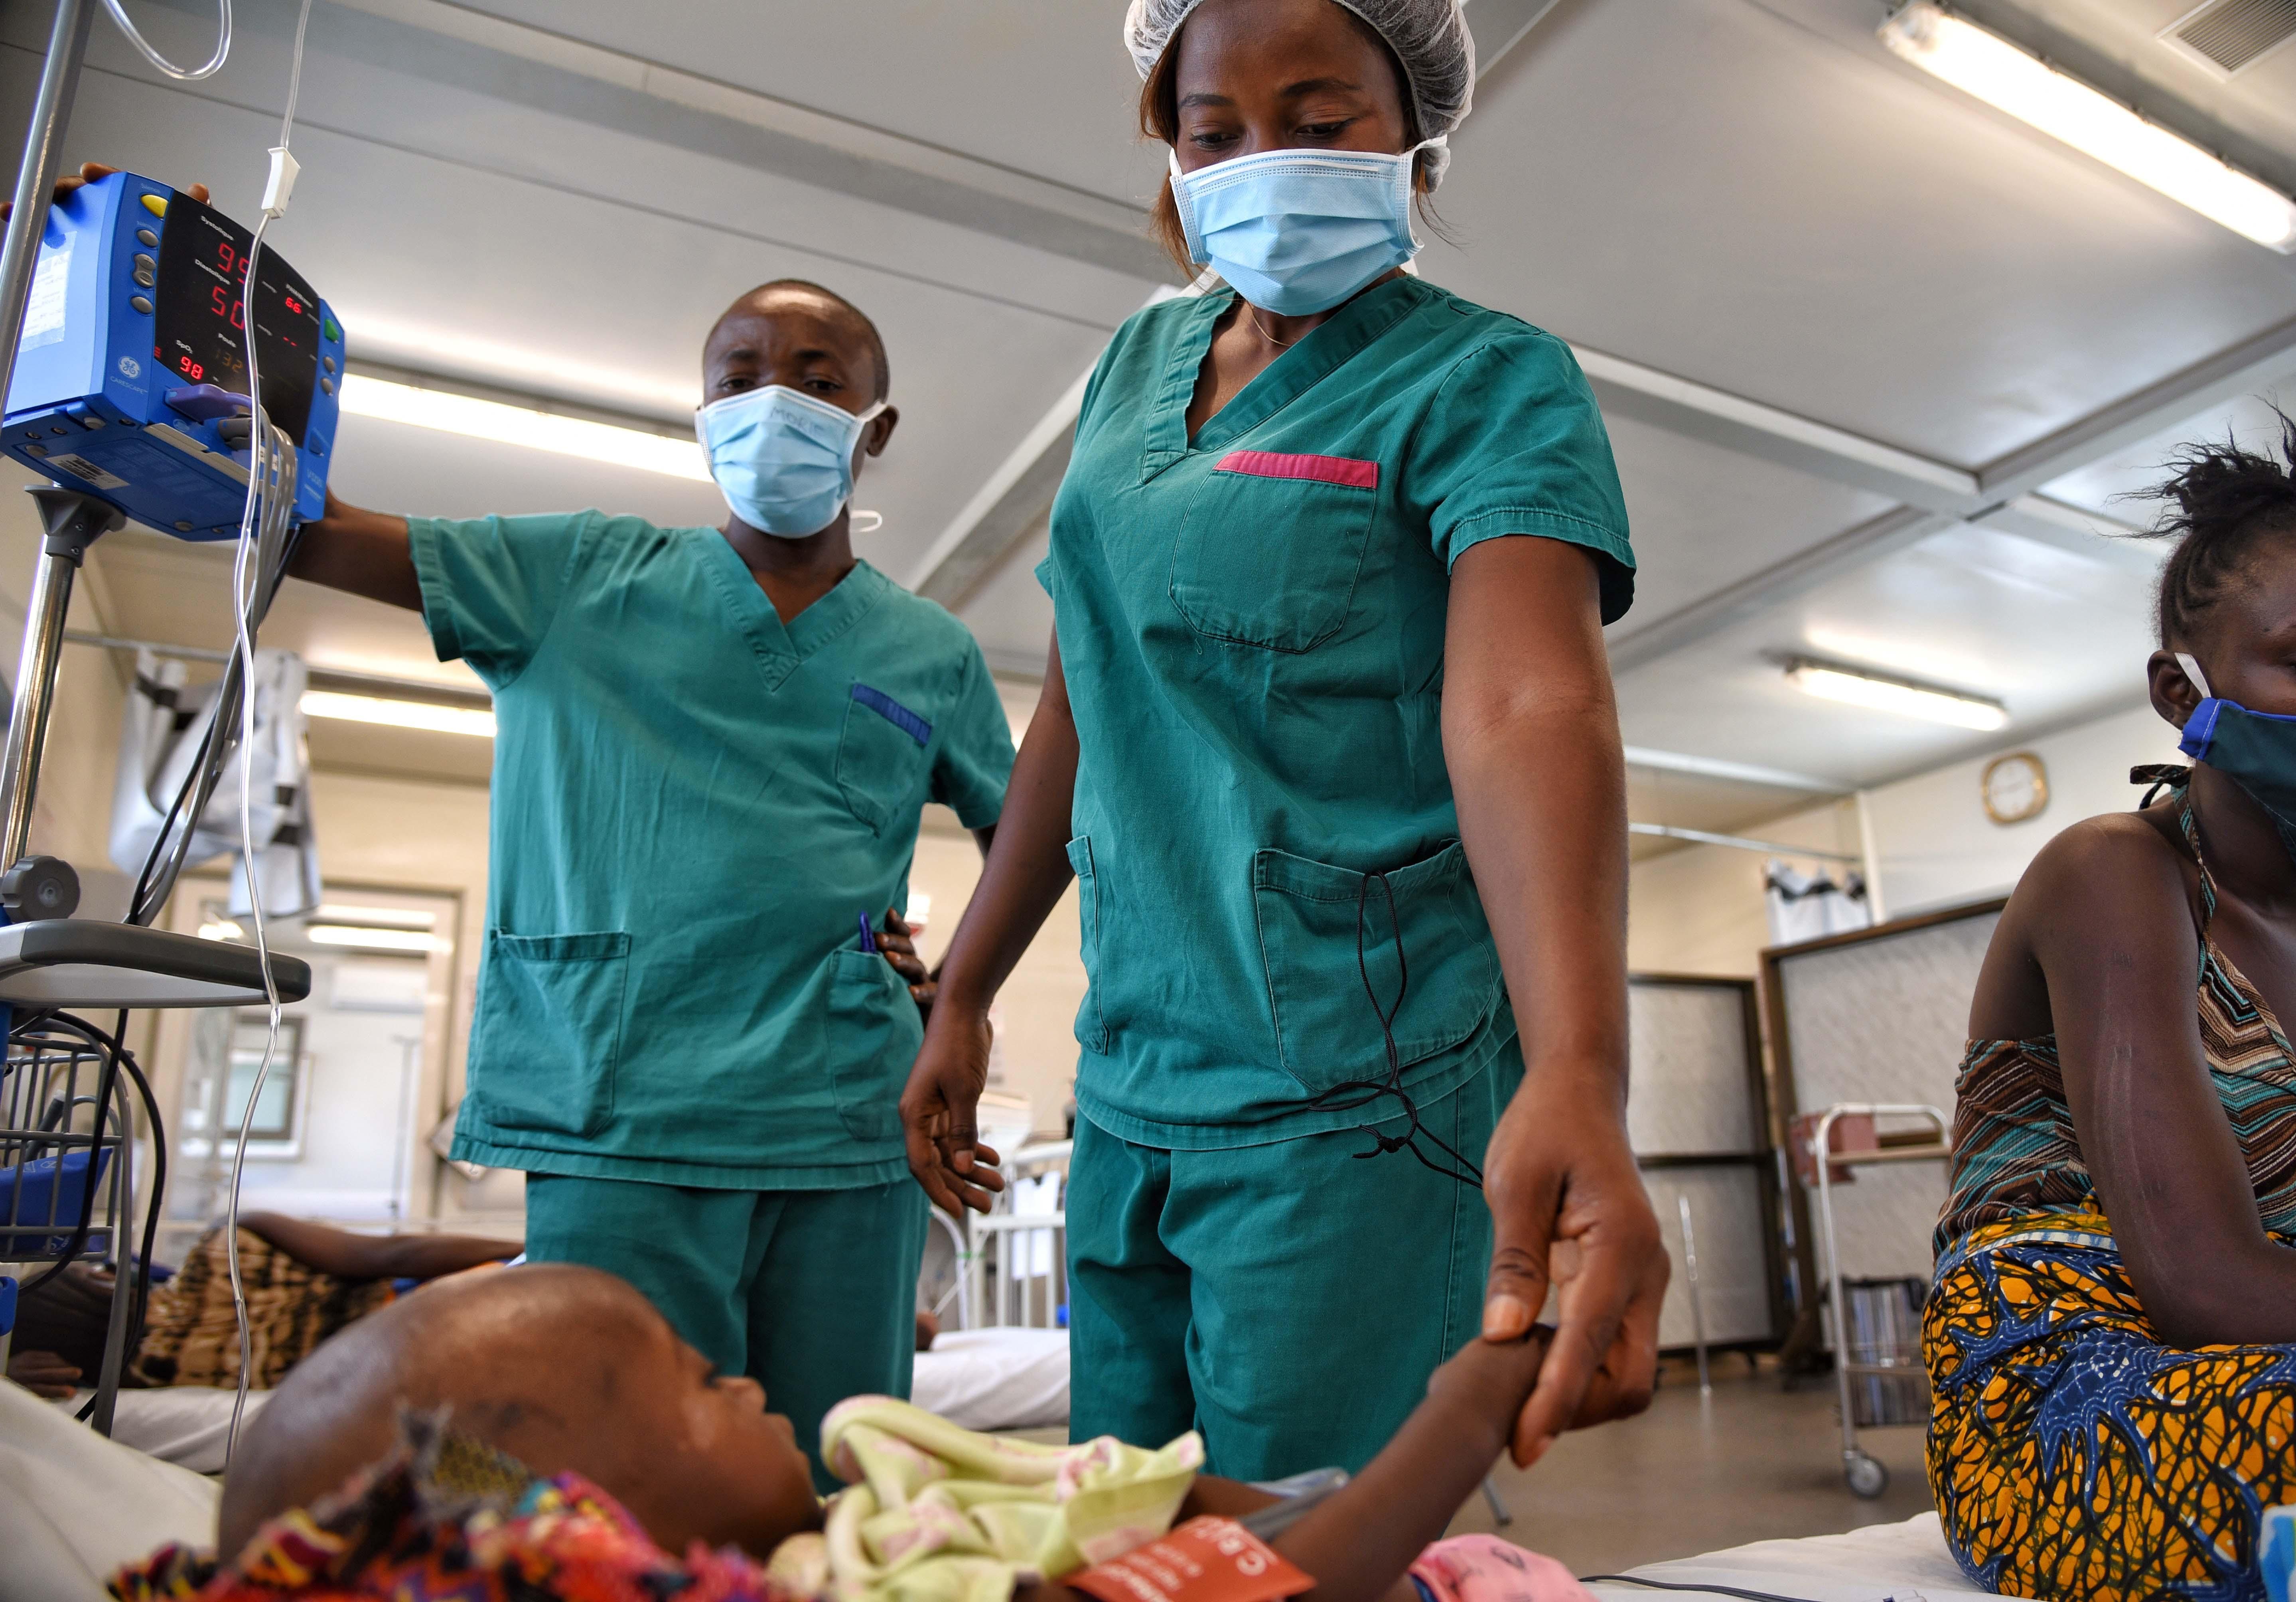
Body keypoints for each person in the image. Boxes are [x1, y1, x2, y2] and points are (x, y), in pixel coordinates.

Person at [10, 164, 1021, 1493]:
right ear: (702, 411)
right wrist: (107, 286)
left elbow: (1031, 829)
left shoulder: (931, 652)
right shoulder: (576, 574)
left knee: (848, 1478)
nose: (773, 397)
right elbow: (296, 522)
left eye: (819, 376)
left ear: (873, 427)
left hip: (844, 1119)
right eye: (737, 375)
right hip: (619, 1106)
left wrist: (963, 985)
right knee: (614, 1486)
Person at [897, 0, 1668, 1482]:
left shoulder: (1485, 381)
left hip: (1360, 1104)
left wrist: (1579, 1063)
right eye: (1216, 133)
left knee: (1307, 1547)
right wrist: (966, 989)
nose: (1265, 164)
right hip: (1133, 1085)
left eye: (1321, 126)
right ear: (1168, 151)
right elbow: (1081, 699)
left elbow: (1526, 703)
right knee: (1121, 1540)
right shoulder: (1130, 373)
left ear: (1414, 130)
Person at [1922, 414, 2296, 1602]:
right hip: (2062, 1402)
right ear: (2180, 692)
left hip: (2238, 1364)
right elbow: (2202, 1281)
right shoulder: (2113, 878)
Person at [134, 1262, 1592, 1602]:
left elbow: (1168, 1504)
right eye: (705, 1382)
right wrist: (1466, 1403)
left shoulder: (859, 1521)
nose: (753, 1387)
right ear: (598, 1521)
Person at [5, 1211, 519, 1398]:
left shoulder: (152, 1379)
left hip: (431, 1371)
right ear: (104, 1279)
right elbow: (392, 1252)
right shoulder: (232, 1243)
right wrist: (528, 1250)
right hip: (450, 1307)